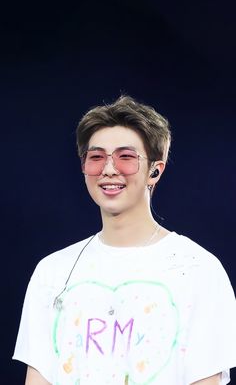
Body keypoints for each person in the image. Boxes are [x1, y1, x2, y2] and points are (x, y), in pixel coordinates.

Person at [13, 95, 236, 385]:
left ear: (155, 170)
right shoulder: (52, 271)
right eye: (96, 158)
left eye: (126, 157)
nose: (108, 169)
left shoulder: (199, 270)